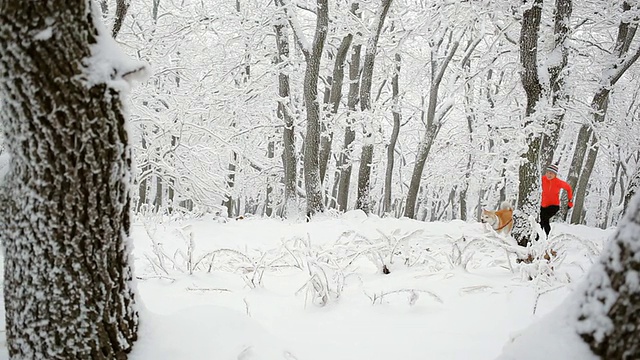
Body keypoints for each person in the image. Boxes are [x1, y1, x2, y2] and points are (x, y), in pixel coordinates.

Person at [539, 164, 573, 239]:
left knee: (543, 220)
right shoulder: (542, 179)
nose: (549, 175)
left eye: (551, 173)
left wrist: (570, 201)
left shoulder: (558, 182)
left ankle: (539, 238)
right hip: (543, 206)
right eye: (547, 172)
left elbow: (569, 188)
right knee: (543, 221)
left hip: (554, 206)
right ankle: (547, 238)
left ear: (555, 174)